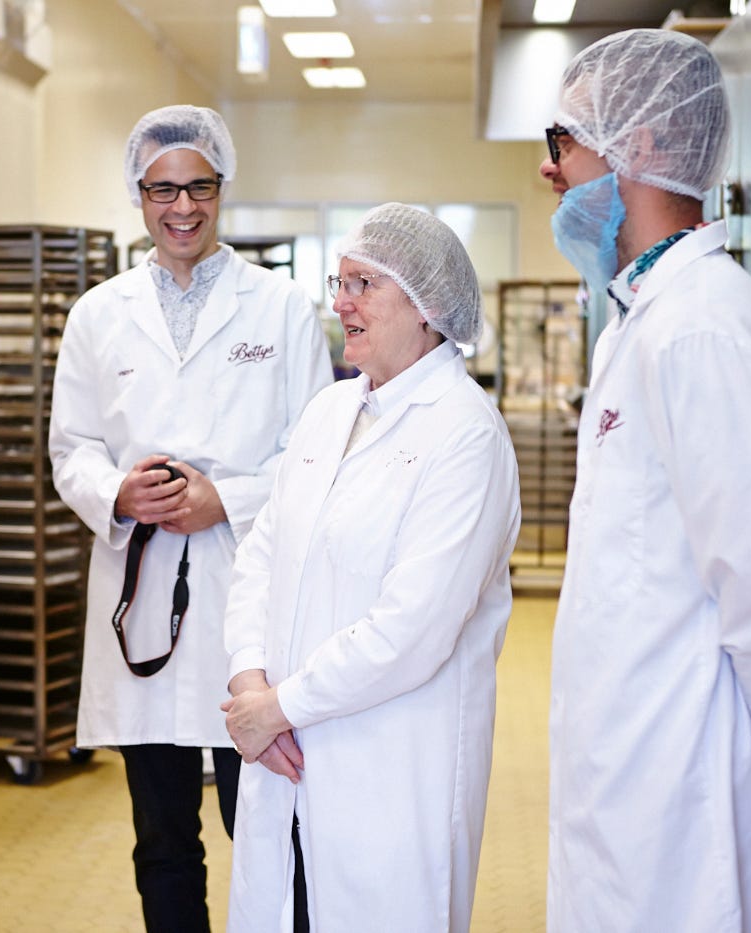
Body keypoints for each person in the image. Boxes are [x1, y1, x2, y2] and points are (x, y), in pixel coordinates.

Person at [540, 30, 751, 932]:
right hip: (628, 748)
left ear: (644, 144)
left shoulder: (701, 329)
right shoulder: (642, 322)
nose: (551, 171)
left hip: (674, 761)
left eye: (564, 140)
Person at [48, 104, 332, 933]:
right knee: (162, 837)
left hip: (250, 599)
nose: (182, 207)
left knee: (269, 823)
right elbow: (72, 447)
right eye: (162, 189)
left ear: (221, 189)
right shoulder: (98, 314)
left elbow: (314, 451)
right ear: (139, 194)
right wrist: (118, 495)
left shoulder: (279, 308)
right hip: (144, 599)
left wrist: (225, 499)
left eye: (198, 187)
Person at [221, 202, 522, 932]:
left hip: (389, 768)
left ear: (426, 307)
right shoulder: (330, 411)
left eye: (363, 284)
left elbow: (413, 627)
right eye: (340, 281)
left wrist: (279, 708)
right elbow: (261, 552)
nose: (341, 302)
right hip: (285, 752)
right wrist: (247, 676)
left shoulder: (464, 434)